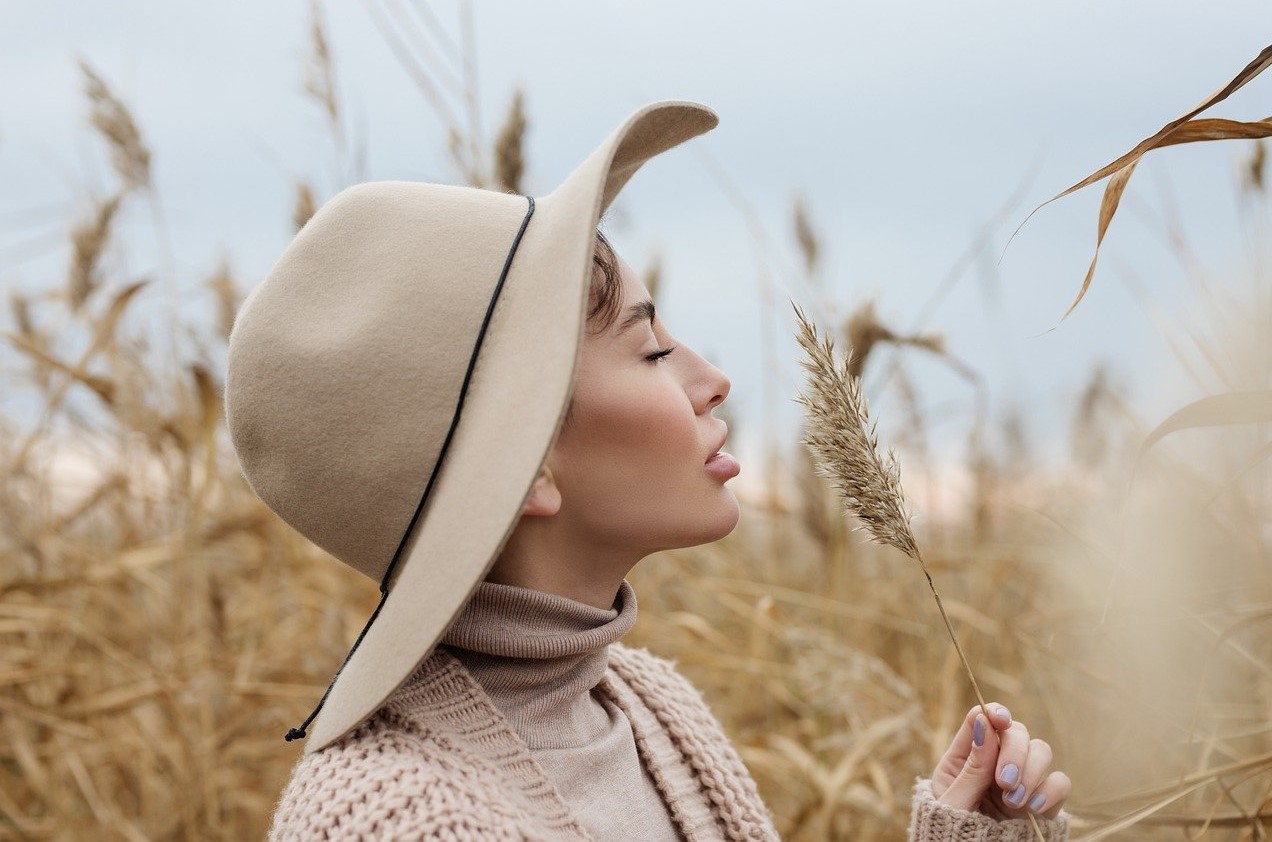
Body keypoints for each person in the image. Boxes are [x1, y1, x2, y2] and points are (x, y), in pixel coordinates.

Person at [224, 100, 1071, 840]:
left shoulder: (646, 705)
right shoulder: (397, 817)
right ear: (527, 467)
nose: (711, 379)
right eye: (653, 350)